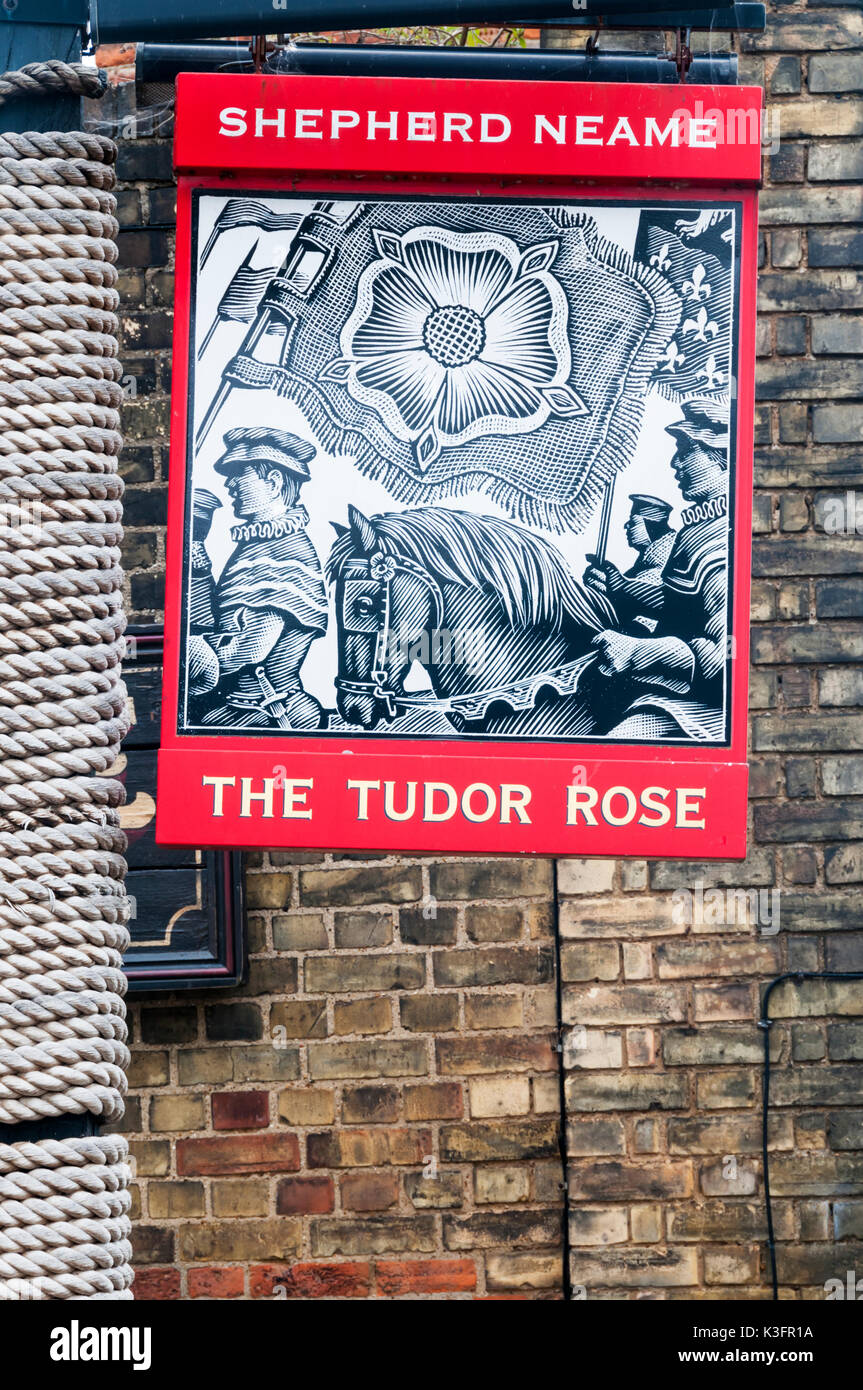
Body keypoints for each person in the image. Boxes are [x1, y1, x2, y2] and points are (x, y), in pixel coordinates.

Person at [588, 400, 730, 741]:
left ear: (721, 457)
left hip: (697, 710)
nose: (674, 462)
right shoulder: (699, 529)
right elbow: (678, 605)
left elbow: (722, 660)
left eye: (686, 449)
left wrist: (638, 652)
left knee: (615, 750)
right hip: (674, 695)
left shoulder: (724, 539)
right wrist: (619, 587)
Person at [186, 426, 328, 730]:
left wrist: (183, 660)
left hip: (264, 716)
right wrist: (198, 562)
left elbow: (247, 650)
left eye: (240, 473)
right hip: (232, 709)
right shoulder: (256, 546)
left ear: (273, 483)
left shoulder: (287, 554)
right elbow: (216, 621)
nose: (229, 484)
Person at [583, 494, 675, 634]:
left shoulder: (662, 568)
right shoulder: (645, 563)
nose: (626, 526)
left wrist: (609, 591)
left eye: (633, 522)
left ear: (650, 527)